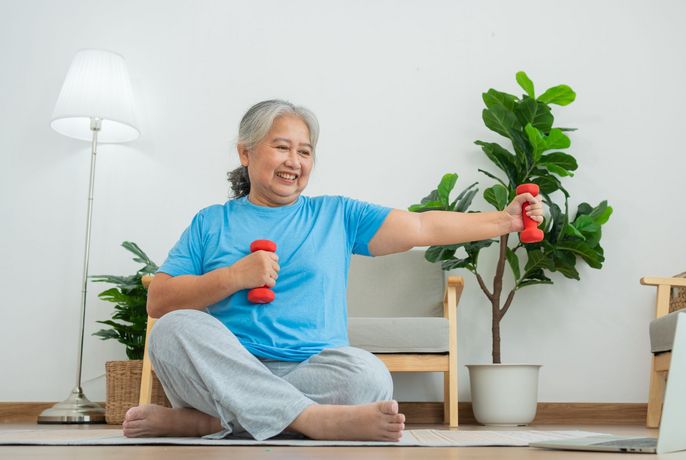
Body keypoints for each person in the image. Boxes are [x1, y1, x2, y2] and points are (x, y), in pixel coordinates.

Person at [122, 100, 544, 442]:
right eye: (281, 147)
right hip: (226, 369)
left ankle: (211, 422)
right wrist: (234, 277)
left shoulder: (338, 215)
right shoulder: (210, 222)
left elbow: (422, 227)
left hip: (314, 370)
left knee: (369, 376)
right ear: (245, 152)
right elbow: (159, 301)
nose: (294, 161)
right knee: (171, 331)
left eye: (304, 152)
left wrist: (504, 221)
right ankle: (312, 420)